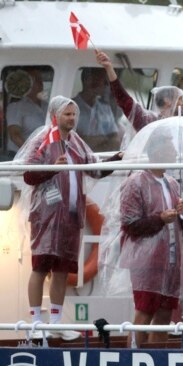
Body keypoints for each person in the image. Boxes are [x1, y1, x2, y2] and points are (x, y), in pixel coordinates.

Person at [20, 96, 121, 341]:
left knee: (63, 270)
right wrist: (53, 167)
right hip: (47, 215)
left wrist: (116, 161)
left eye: (74, 114)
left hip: (70, 215)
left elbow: (93, 169)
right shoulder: (42, 140)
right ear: (55, 115)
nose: (72, 119)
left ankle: (55, 322)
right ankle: (36, 321)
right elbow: (27, 175)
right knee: (41, 267)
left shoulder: (76, 142)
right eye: (67, 114)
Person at [119, 130, 183, 347]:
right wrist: (160, 218)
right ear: (157, 151)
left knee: (165, 315)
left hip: (170, 259)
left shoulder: (172, 183)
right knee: (145, 311)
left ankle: (157, 357)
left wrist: (181, 213)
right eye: (171, 147)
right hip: (146, 261)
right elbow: (130, 225)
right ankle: (131, 358)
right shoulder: (135, 182)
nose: (175, 152)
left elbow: (176, 223)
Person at [95, 50, 183, 133]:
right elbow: (123, 100)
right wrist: (109, 68)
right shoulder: (149, 123)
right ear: (167, 101)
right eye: (179, 98)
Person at [73, 67, 120, 152]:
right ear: (91, 82)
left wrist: (91, 141)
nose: (107, 86)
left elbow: (116, 141)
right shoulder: (70, 108)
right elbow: (76, 143)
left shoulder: (106, 109)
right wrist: (105, 138)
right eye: (105, 82)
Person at [6, 69, 47, 156]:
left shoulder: (46, 105)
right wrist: (34, 153)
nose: (40, 82)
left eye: (40, 78)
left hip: (44, 156)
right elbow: (15, 135)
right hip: (20, 158)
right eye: (35, 79)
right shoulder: (16, 106)